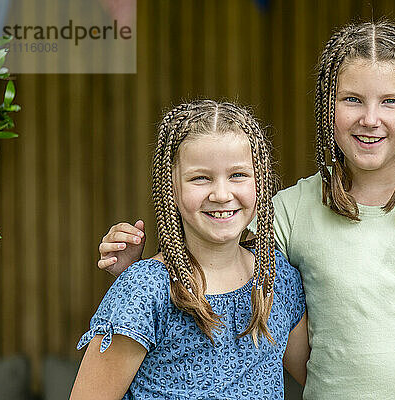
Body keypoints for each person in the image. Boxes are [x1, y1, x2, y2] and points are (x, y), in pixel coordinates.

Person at [98, 21, 395, 399]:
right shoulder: (289, 210)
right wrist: (141, 271)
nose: (370, 118)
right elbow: (215, 257)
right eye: (352, 99)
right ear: (328, 107)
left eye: (391, 101)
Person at [71, 100, 309, 400]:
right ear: (172, 187)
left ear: (260, 181)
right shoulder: (145, 289)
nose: (222, 194)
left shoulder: (276, 278)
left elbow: (322, 379)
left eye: (238, 175)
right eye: (200, 178)